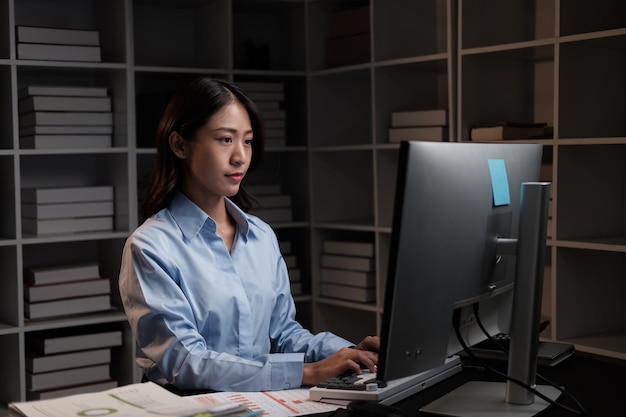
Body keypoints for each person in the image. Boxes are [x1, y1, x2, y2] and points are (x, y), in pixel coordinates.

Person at [118, 76, 380, 393]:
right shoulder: (150, 247)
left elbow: (283, 334)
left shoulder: (261, 236)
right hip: (189, 405)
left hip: (261, 402)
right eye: (225, 139)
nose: (240, 156)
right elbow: (186, 361)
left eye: (248, 141)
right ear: (179, 145)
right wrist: (307, 372)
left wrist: (350, 354)